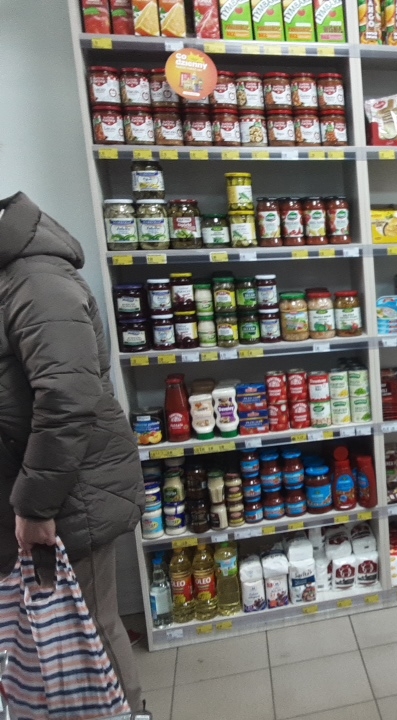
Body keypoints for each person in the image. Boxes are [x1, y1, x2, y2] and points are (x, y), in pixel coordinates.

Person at [0, 192, 144, 710]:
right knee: (59, 637)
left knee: (91, 631)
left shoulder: (35, 280)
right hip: (39, 487)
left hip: (67, 498)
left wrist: (35, 506)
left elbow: (66, 397)